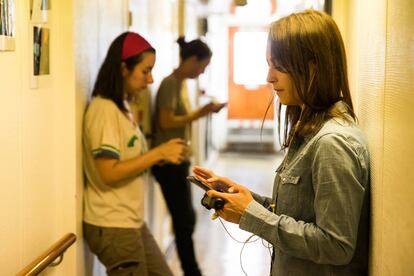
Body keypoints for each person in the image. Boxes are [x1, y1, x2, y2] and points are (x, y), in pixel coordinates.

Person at [192, 10, 370, 276]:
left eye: (278, 65)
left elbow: (336, 245)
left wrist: (249, 216)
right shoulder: (311, 131)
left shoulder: (333, 143)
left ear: (312, 67)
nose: (269, 77)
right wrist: (247, 199)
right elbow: (300, 213)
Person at [82, 31, 187, 276]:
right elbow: (108, 173)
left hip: (131, 221)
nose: (150, 80)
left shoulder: (123, 108)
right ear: (123, 69)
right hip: (111, 223)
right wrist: (158, 152)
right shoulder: (103, 110)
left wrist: (163, 154)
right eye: (145, 71)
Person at [151, 36, 226, 276]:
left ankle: (191, 269)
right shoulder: (170, 83)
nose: (202, 72)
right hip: (168, 163)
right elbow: (165, 121)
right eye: (202, 66)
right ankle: (191, 271)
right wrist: (201, 113)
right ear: (192, 60)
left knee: (187, 218)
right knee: (184, 222)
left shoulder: (180, 83)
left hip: (178, 160)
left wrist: (202, 111)